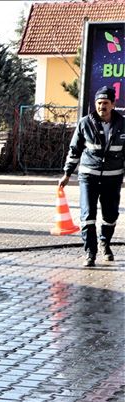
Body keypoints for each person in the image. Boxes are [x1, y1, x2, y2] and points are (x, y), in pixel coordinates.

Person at [60, 85, 124, 267]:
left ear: (113, 104)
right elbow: (75, 150)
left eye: (105, 103)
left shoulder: (122, 124)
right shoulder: (85, 123)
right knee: (88, 214)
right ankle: (90, 251)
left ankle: (105, 242)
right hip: (89, 175)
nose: (101, 107)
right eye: (98, 103)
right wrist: (66, 174)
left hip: (113, 177)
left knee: (110, 215)